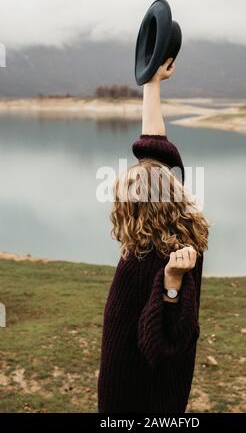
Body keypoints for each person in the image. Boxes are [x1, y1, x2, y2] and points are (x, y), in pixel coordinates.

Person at [98, 57, 209, 413]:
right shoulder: (181, 235)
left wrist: (172, 282)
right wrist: (151, 82)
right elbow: (153, 143)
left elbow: (164, 344)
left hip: (138, 394)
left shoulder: (154, 260)